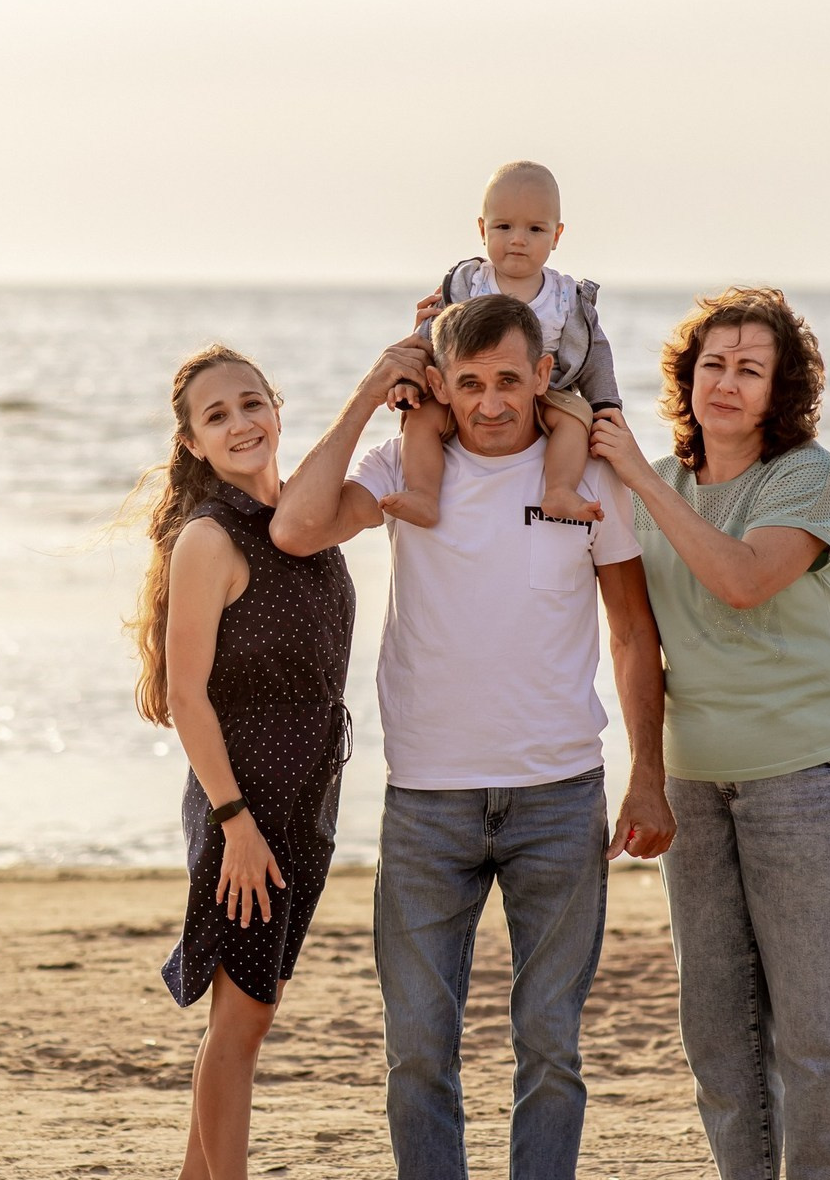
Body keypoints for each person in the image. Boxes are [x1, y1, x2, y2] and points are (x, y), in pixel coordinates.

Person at [270, 294, 676, 1180]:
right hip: (428, 802)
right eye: (469, 384)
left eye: (507, 381)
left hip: (559, 797)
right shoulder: (399, 465)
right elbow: (294, 527)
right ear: (440, 386)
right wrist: (370, 388)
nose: (491, 403)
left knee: (551, 1046)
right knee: (418, 1051)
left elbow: (632, 635)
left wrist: (648, 774)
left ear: (542, 374)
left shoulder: (588, 477)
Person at [590, 287, 830, 1180]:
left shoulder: (806, 477)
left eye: (749, 370)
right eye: (712, 364)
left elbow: (744, 580)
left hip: (810, 778)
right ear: (687, 377)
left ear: (778, 390)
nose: (725, 382)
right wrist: (645, 774)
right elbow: (637, 643)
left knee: (814, 1035)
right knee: (717, 1034)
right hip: (695, 785)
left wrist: (640, 479)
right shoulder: (658, 485)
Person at [125, 344, 354, 1180]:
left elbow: (401, 483)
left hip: (307, 802)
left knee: (250, 1012)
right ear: (193, 442)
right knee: (243, 1021)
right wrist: (236, 826)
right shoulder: (210, 540)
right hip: (243, 806)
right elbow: (187, 697)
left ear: (277, 409)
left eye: (252, 403)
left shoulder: (305, 517)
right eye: (217, 416)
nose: (241, 423)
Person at [381, 159, 621, 529]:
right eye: (504, 226)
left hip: (547, 392)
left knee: (576, 421)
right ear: (483, 229)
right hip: (470, 391)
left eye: (535, 228)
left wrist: (605, 404)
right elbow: (432, 333)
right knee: (421, 417)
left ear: (556, 235)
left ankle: (559, 490)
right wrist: (409, 381)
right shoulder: (468, 283)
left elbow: (596, 351)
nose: (518, 239)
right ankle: (424, 494)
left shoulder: (565, 297)